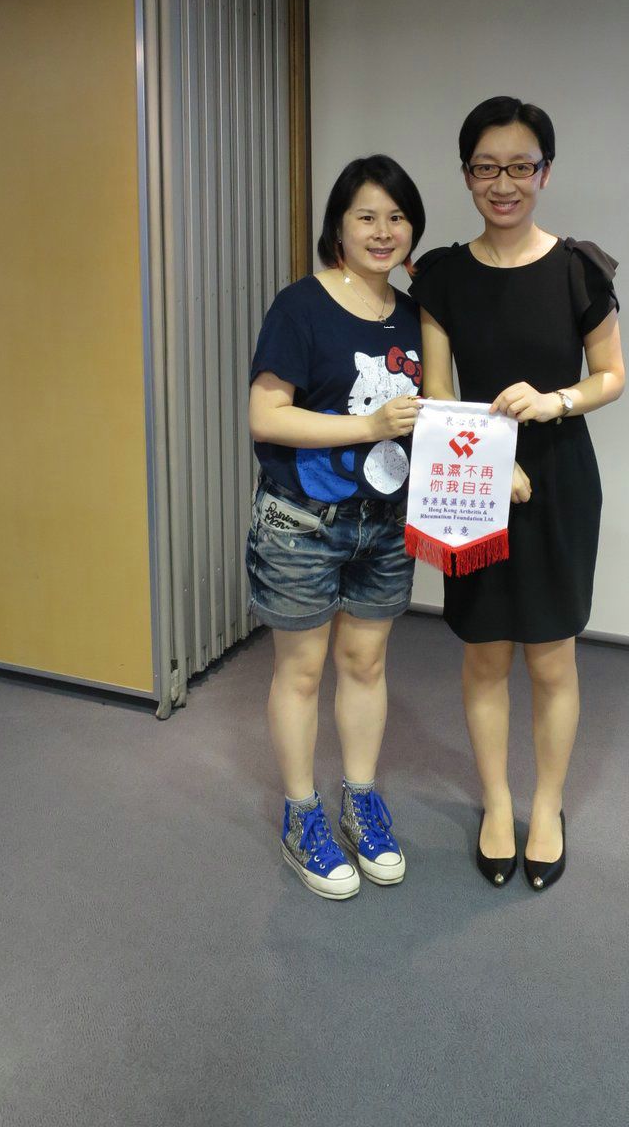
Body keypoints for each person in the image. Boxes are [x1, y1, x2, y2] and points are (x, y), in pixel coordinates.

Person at [410, 97, 625, 892]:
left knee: (552, 656)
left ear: (546, 173)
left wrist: (556, 399)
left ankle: (549, 806)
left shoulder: (578, 270)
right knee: (485, 652)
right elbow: (438, 391)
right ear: (467, 174)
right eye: (486, 167)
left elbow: (612, 375)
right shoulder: (441, 277)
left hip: (560, 477)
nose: (504, 183)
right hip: (471, 476)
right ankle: (498, 804)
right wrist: (496, 462)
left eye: (520, 167)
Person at [247, 155, 425, 899]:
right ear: (339, 228)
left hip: (384, 523)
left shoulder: (415, 316)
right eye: (366, 217)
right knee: (300, 671)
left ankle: (360, 801)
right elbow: (266, 416)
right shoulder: (300, 306)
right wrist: (368, 424)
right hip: (302, 520)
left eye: (396, 217)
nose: (383, 231)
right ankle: (301, 816)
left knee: (366, 664)